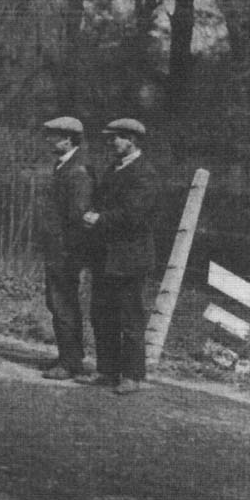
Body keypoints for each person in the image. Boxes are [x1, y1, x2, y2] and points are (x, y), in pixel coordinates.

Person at [79, 117, 157, 395]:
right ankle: (107, 370)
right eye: (111, 138)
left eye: (117, 138)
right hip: (106, 256)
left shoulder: (144, 173)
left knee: (130, 317)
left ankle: (133, 375)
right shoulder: (114, 169)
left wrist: (98, 219)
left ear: (131, 139)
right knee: (102, 314)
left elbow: (134, 216)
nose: (112, 143)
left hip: (130, 258)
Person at [40, 116, 95, 380]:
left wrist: (70, 251)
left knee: (63, 303)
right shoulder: (63, 166)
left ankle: (70, 361)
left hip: (66, 250)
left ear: (69, 139)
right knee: (58, 301)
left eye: (54, 136)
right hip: (58, 248)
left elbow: (78, 215)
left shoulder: (77, 171)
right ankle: (69, 355)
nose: (50, 140)